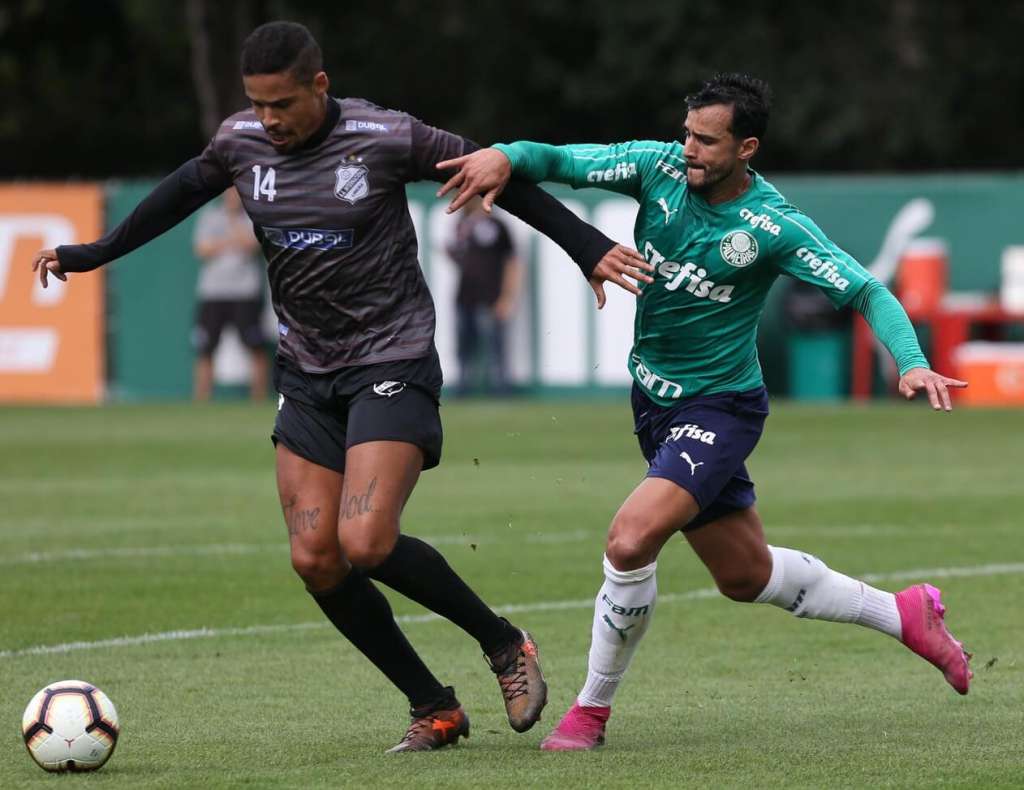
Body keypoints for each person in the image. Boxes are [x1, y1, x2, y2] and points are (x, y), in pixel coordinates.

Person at [31, 21, 653, 753]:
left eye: (283, 104)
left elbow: (494, 172)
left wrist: (585, 246)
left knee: (365, 539)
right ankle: (434, 706)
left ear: (319, 86)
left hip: (392, 361)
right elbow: (177, 195)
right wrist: (94, 252)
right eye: (257, 105)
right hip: (307, 372)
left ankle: (504, 644)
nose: (269, 120)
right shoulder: (240, 142)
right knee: (315, 557)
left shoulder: (386, 136)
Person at [437, 72, 972, 751]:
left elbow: (865, 289)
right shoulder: (656, 166)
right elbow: (561, 161)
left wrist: (912, 358)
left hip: (721, 406)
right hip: (653, 402)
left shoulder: (771, 227)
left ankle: (590, 713)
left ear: (746, 147)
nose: (687, 149)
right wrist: (506, 155)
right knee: (746, 576)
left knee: (631, 540)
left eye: (706, 141)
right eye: (686, 132)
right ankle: (905, 614)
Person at [191, 188, 269, 401]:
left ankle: (258, 399)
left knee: (256, 346)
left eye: (237, 194)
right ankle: (201, 400)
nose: (233, 198)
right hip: (213, 293)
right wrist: (230, 241)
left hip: (245, 293)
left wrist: (232, 229)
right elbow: (202, 249)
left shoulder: (254, 217)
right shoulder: (210, 216)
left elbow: (252, 245)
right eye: (229, 194)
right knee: (205, 347)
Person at [446, 196, 522, 395]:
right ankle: (464, 387)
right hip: (464, 296)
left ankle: (500, 387)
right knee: (464, 344)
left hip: (490, 296)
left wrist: (507, 297)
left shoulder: (498, 226)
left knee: (494, 344)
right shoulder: (462, 225)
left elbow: (512, 263)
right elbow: (460, 257)